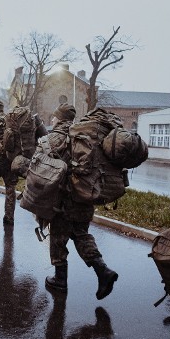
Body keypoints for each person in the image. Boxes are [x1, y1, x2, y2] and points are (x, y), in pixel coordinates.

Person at [43, 104, 119, 300]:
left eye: (53, 117)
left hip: (64, 200)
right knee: (81, 235)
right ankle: (103, 271)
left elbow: (40, 167)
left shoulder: (55, 138)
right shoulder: (85, 137)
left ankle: (60, 280)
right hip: (86, 196)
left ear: (58, 119)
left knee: (58, 239)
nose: (52, 120)